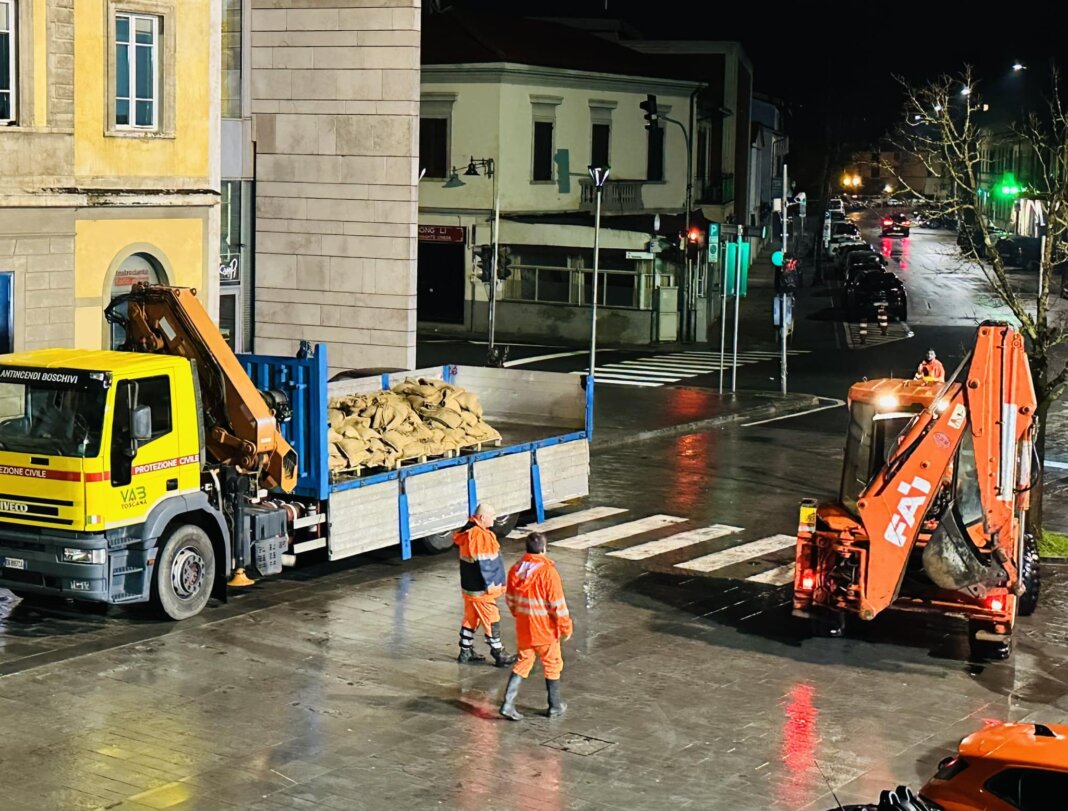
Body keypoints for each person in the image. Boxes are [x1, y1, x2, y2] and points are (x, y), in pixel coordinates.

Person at [499, 532, 573, 721]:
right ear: (543, 549)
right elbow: (558, 605)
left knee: (524, 661)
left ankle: (508, 704)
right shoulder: (548, 573)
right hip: (545, 630)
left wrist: (520, 616)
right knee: (552, 664)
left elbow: (510, 600)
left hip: (525, 627)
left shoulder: (515, 569)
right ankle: (555, 706)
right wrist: (566, 628)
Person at [454, 503, 516, 667]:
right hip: (481, 590)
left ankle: (465, 651)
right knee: (491, 618)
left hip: (470, 588)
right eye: (492, 516)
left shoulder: (469, 533)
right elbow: (487, 565)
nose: (495, 519)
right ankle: (499, 653)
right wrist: (495, 587)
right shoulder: (480, 536)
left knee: (471, 618)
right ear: (482, 518)